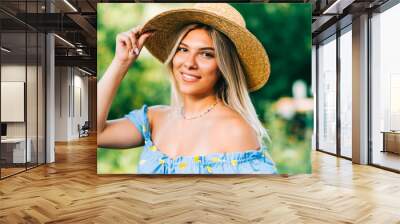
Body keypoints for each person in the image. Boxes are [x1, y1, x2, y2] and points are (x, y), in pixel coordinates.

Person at [97, 3, 277, 174]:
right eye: (183, 50)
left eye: (206, 54)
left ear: (224, 67)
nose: (189, 63)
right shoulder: (154, 119)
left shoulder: (234, 129)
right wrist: (121, 62)